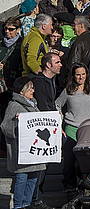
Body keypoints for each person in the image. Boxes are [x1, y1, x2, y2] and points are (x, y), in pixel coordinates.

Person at [55, 63, 90, 190]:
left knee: (86, 161)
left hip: (88, 129)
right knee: (69, 160)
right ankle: (69, 186)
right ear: (73, 76)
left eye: (83, 74)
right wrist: (59, 120)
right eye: (78, 75)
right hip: (71, 128)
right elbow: (57, 105)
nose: (81, 77)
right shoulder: (68, 90)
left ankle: (85, 186)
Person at [2, 76, 46, 209]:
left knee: (33, 179)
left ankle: (27, 204)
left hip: (34, 151)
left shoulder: (34, 104)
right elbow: (5, 127)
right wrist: (17, 124)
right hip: (21, 152)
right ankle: (18, 205)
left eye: (33, 87)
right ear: (22, 91)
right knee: (22, 178)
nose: (33, 90)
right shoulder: (14, 105)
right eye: (30, 88)